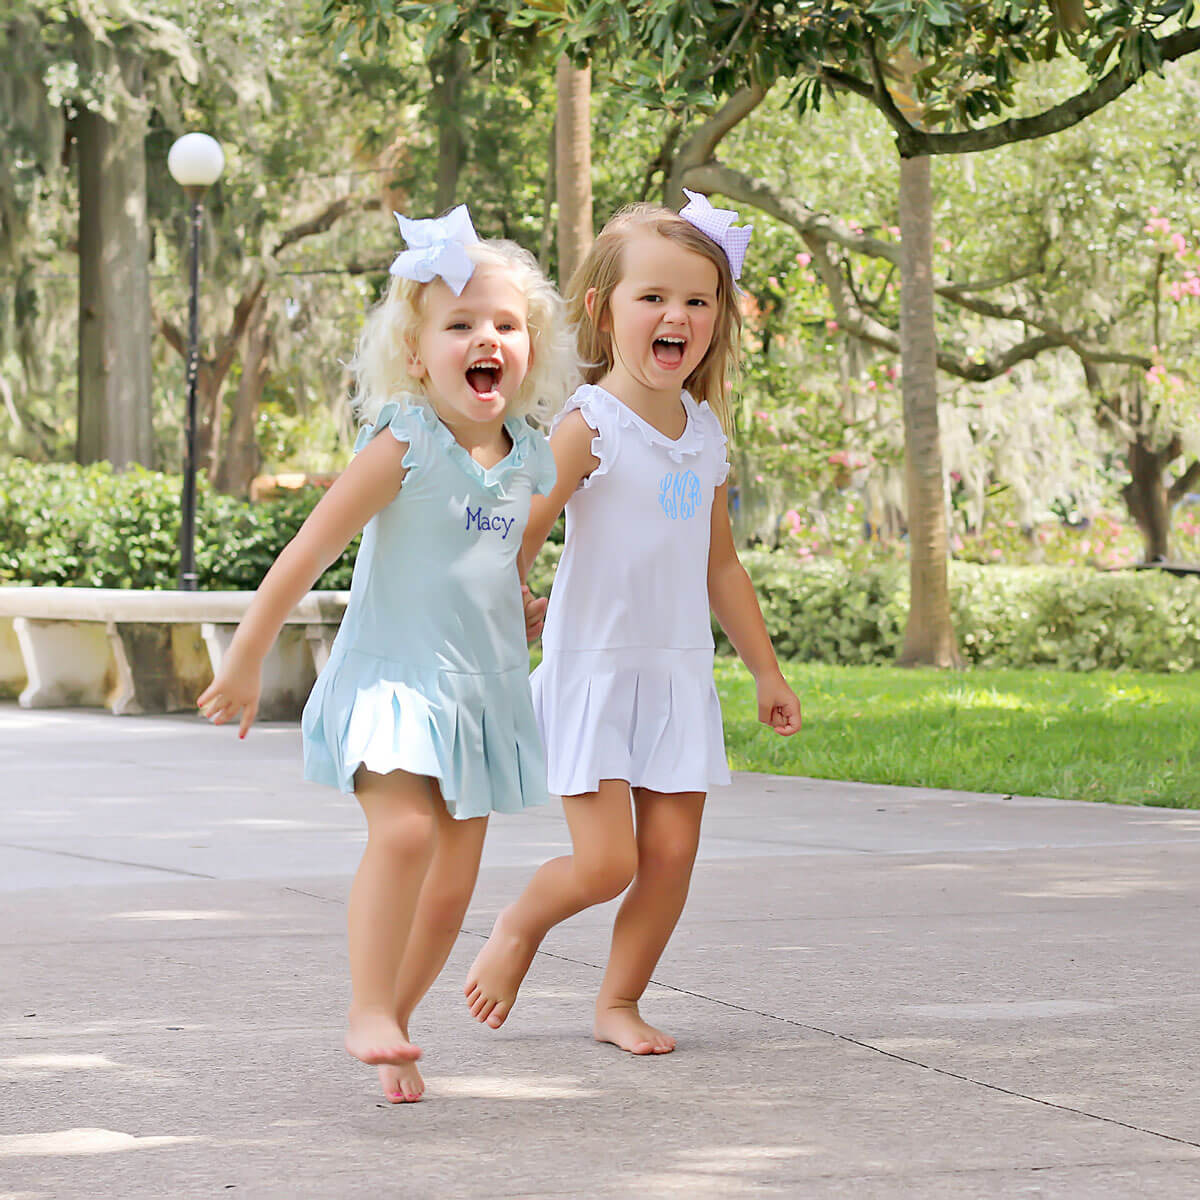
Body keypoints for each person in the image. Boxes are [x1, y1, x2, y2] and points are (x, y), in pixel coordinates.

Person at [197, 205, 576, 1101]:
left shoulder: (530, 460)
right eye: (460, 324)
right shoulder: (404, 445)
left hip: (480, 693)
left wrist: (517, 605)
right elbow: (308, 552)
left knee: (452, 888)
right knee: (404, 832)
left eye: (506, 326)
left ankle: (395, 1028)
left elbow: (489, 556)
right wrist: (249, 654)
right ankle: (368, 1006)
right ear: (416, 355)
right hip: (396, 682)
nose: (486, 339)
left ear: (531, 350)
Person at [464, 192, 802, 1055]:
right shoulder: (589, 424)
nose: (676, 315)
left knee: (672, 859)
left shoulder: (703, 432)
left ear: (717, 318)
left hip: (678, 673)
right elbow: (526, 532)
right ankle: (517, 926)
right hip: (596, 669)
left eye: (697, 300)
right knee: (606, 863)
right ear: (602, 311)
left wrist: (765, 670)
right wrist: (503, 616)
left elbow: (720, 562)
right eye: (652, 296)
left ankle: (618, 1003)